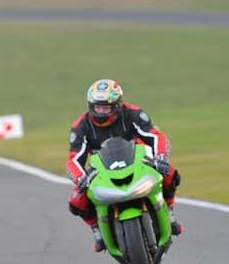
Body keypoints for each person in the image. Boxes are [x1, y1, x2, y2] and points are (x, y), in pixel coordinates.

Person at [67, 79, 183, 252]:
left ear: (117, 105)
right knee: (76, 201)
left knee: (170, 174)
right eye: (97, 107)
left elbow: (155, 136)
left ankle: (170, 209)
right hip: (102, 170)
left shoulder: (133, 113)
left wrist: (161, 157)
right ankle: (96, 228)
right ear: (90, 106)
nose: (101, 112)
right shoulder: (80, 126)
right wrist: (80, 178)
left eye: (106, 107)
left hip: (137, 161)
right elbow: (74, 158)